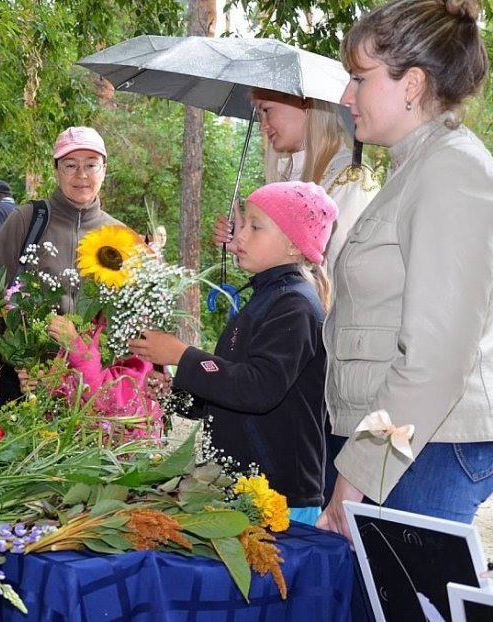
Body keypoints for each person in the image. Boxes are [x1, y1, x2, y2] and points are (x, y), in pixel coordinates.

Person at [317, 0, 493, 538]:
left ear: (412, 84)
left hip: (426, 448)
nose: (345, 96)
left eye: (359, 78)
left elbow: (434, 360)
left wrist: (357, 475)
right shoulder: (421, 167)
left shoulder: (450, 170)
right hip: (411, 446)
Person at [130, 181, 338, 526]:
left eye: (255, 227)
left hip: (281, 495)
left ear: (292, 244)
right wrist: (178, 393)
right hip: (243, 484)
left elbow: (259, 388)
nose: (239, 237)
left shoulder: (295, 305)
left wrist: (184, 356)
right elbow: (230, 384)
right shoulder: (265, 298)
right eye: (242, 226)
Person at [0, 126, 124, 406]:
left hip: (91, 384)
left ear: (104, 169)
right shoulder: (27, 219)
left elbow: (130, 319)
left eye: (91, 165)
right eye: (70, 165)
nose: (81, 175)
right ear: (56, 170)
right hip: (24, 375)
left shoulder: (120, 236)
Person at [216, 90, 379, 271]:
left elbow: (345, 277)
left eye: (267, 110)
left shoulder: (350, 181)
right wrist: (247, 243)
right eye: (259, 114)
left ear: (305, 102)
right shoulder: (289, 173)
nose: (263, 126)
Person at [42, 315, 164, 443]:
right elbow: (63, 385)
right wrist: (37, 383)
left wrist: (76, 347)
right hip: (75, 445)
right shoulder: (91, 319)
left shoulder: (136, 332)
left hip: (113, 455)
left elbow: (113, 399)